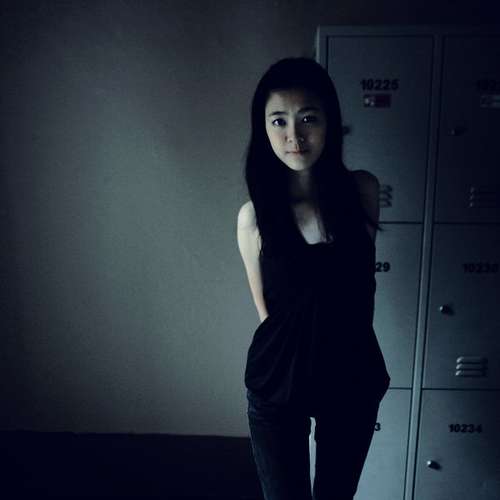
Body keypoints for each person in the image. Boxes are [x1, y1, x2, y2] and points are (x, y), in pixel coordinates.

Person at [236, 57, 391, 500]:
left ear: (330, 123)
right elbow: (268, 313)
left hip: (351, 374)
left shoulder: (363, 191)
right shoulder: (253, 217)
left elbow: (361, 289)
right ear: (264, 129)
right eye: (278, 121)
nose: (294, 136)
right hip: (278, 380)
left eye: (308, 118)